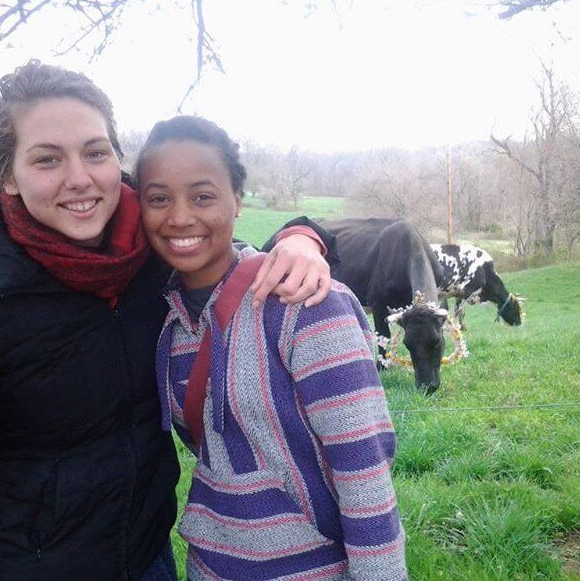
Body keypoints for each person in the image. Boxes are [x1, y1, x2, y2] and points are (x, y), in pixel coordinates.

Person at [0, 61, 335, 581]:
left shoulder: (150, 243)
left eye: (95, 152)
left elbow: (217, 241)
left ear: (118, 158)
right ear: (8, 177)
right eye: (46, 160)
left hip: (150, 553)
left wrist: (300, 236)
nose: (80, 179)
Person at [136, 115, 408, 581]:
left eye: (203, 196)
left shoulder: (306, 302)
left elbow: (364, 470)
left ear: (238, 200)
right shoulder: (169, 321)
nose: (179, 216)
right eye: (159, 198)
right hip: (209, 566)